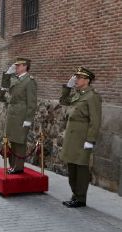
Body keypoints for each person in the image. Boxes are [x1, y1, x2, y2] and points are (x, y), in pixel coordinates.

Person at [60, 67, 102, 208]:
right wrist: (68, 86)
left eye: (79, 78)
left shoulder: (92, 96)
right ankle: (75, 194)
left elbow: (95, 121)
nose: (76, 80)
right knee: (72, 167)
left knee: (81, 168)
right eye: (76, 78)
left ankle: (80, 198)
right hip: (72, 138)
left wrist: (90, 140)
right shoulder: (78, 94)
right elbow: (63, 101)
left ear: (87, 80)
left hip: (82, 138)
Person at [0, 58, 37, 173]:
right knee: (11, 140)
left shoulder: (29, 81)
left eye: (18, 66)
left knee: (19, 142)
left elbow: (32, 102)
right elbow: (3, 90)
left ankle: (18, 167)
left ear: (25, 66)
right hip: (12, 114)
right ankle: (12, 165)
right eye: (16, 66)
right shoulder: (15, 79)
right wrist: (7, 75)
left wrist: (28, 119)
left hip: (21, 115)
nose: (16, 68)